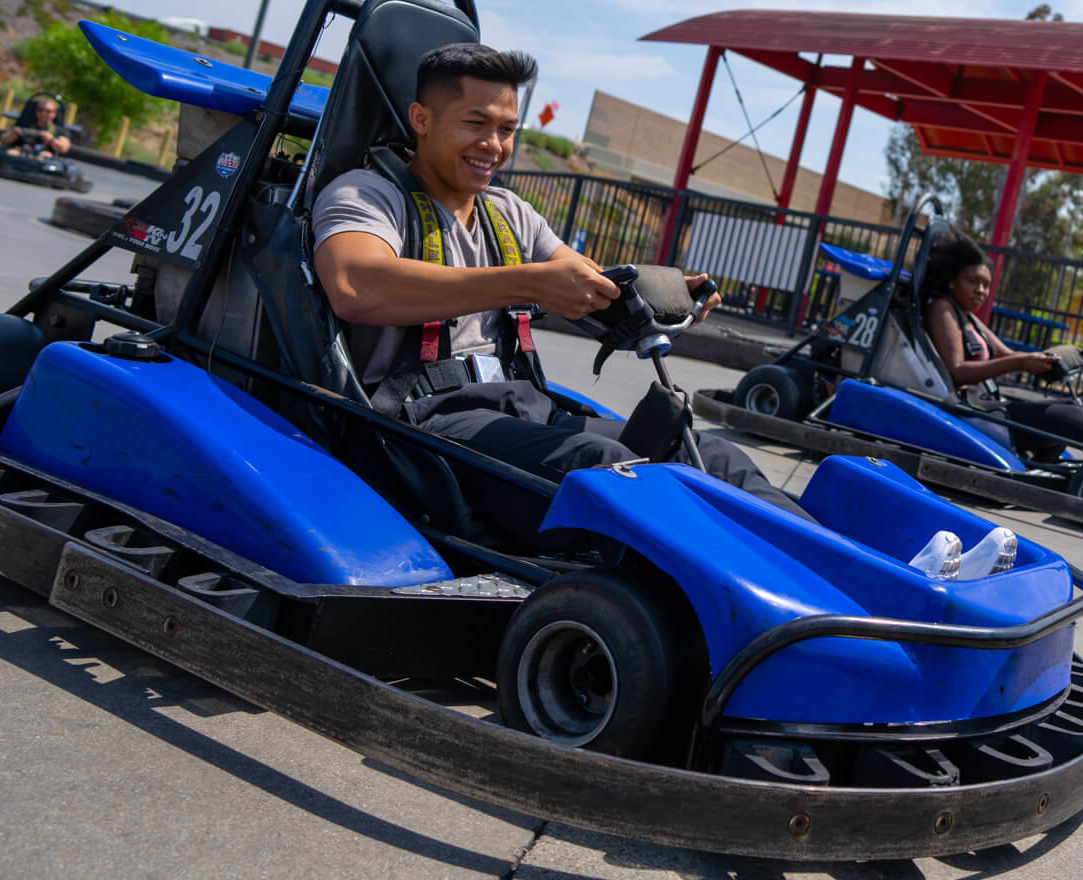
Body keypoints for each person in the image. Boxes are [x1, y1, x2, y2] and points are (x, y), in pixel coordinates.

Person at [310, 43, 810, 525]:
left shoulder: (509, 213)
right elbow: (355, 284)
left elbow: (591, 284)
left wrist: (669, 299)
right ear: (422, 119)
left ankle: (833, 569)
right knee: (611, 471)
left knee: (707, 453)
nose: (494, 146)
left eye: (507, 129)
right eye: (476, 124)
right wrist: (528, 282)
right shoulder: (368, 195)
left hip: (522, 408)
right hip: (423, 422)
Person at [922, 231, 1083, 455]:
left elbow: (1005, 354)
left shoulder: (969, 317)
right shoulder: (942, 308)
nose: (981, 291)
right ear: (952, 281)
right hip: (972, 410)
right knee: (1070, 415)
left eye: (986, 285)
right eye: (973, 282)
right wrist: (1021, 362)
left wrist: (1044, 360)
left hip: (988, 402)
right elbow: (957, 371)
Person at [1, 95, 70, 157]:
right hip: (21, 154)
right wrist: (14, 133)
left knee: (45, 156)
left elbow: (64, 148)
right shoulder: (25, 124)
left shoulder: (60, 130)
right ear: (36, 111)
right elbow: (3, 140)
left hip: (43, 159)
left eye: (48, 111)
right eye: (40, 110)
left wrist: (51, 139)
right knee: (12, 153)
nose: (43, 113)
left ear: (54, 113)